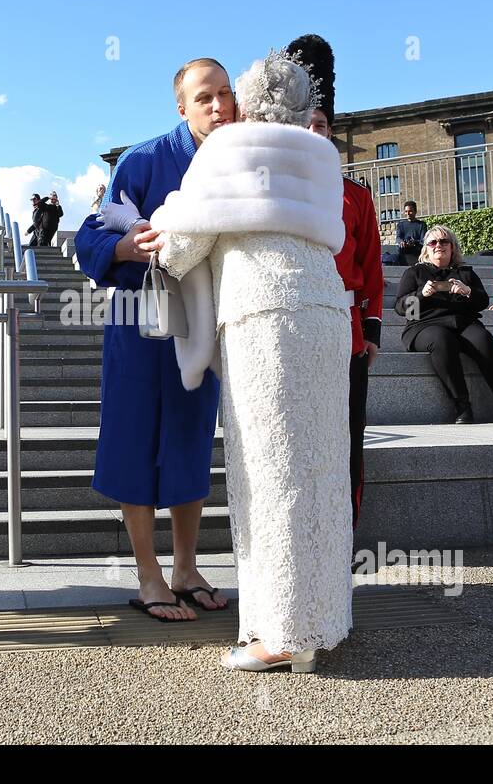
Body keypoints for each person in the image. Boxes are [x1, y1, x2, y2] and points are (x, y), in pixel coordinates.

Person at [146, 48, 350, 673]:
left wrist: (157, 219)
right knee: (322, 471)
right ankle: (325, 619)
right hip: (325, 313)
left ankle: (280, 633)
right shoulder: (322, 155)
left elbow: (181, 242)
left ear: (248, 100)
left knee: (269, 473)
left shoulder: (228, 149)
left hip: (264, 318)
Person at [74, 56, 234, 622]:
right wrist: (125, 248)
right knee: (135, 440)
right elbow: (93, 237)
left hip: (201, 321)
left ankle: (186, 568)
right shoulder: (142, 160)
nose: (218, 106)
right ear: (182, 105)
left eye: (225, 94)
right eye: (204, 97)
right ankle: (148, 575)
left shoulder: (240, 157)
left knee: (191, 441)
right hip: (137, 322)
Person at [289, 32, 383, 530]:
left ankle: (343, 532)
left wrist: (372, 331)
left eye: (322, 125)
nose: (315, 132)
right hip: (296, 324)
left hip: (347, 329)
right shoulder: (278, 191)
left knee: (348, 435)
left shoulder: (356, 197)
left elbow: (371, 267)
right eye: (306, 124)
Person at [395, 225, 493, 424]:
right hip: (423, 325)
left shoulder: (465, 272)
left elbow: (483, 302)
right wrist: (421, 295)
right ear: (426, 248)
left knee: (483, 339)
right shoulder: (415, 273)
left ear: (452, 247)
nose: (439, 245)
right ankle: (462, 405)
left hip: (463, 323)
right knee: (442, 340)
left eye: (444, 241)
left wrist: (467, 291)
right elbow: (403, 309)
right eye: (433, 242)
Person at [394, 200, 426, 266]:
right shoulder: (401, 225)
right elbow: (398, 237)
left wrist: (414, 243)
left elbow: (423, 240)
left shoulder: (421, 225)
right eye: (406, 211)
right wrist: (401, 242)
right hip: (404, 253)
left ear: (415, 211)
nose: (408, 213)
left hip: (417, 253)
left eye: (410, 211)